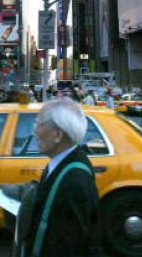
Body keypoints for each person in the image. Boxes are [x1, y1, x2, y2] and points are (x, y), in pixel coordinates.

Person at [16, 98, 101, 257]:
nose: (35, 130)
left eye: (39, 123)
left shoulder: (74, 182)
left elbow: (67, 246)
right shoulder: (61, 164)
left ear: (57, 135)